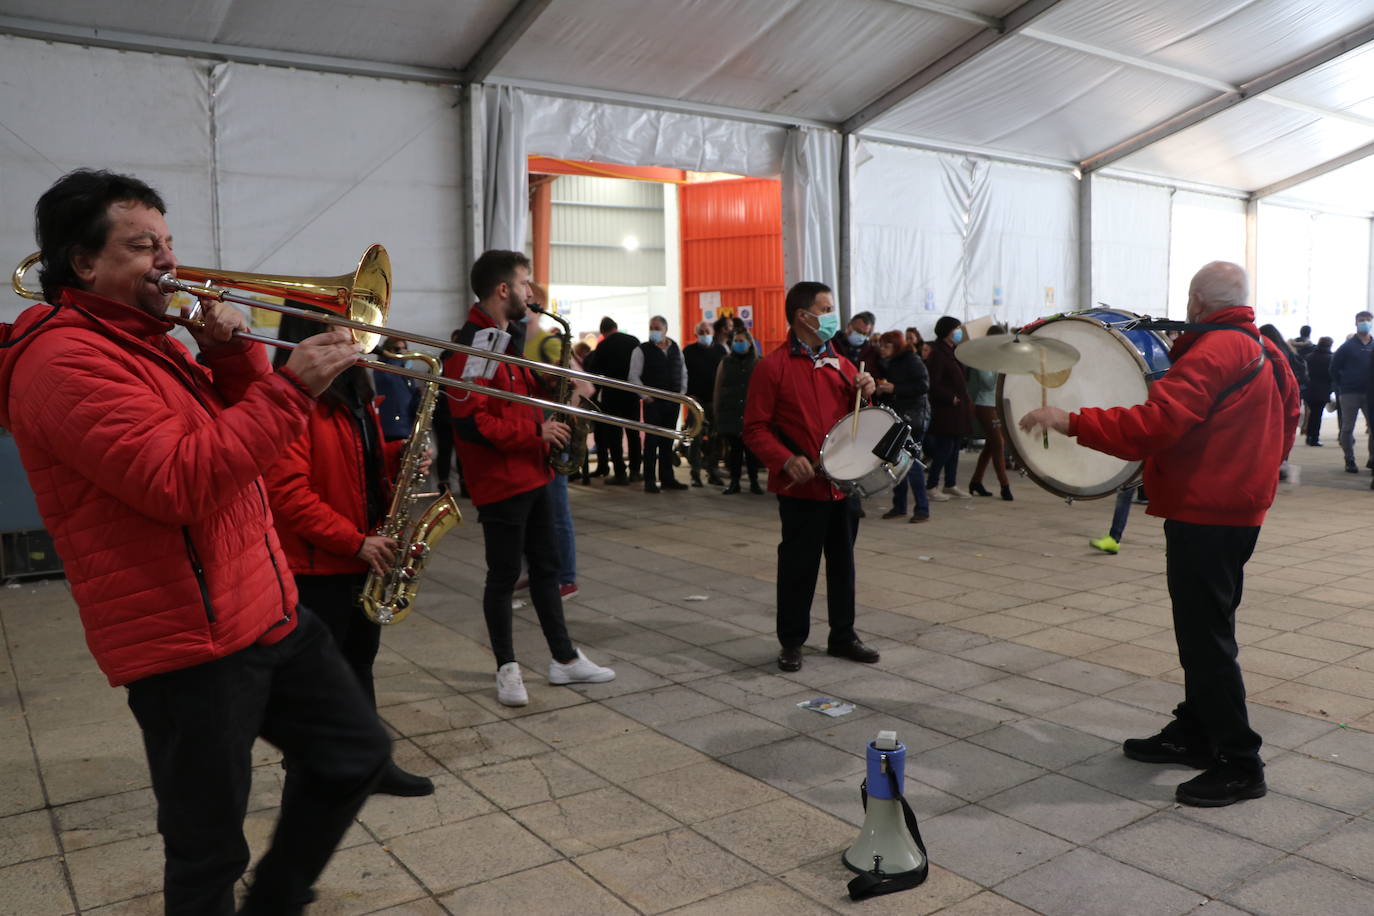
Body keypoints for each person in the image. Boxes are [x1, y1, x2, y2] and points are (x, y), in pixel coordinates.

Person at [0, 169, 390, 913]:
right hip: (188, 645)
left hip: (263, 607)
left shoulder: (151, 339)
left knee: (356, 753)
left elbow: (245, 445)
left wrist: (236, 355)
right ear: (83, 264)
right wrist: (291, 386)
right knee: (208, 851)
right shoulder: (62, 360)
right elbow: (178, 481)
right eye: (144, 246)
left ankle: (275, 899)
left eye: (169, 242)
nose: (169, 262)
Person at [1019, 261, 1299, 807]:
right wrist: (1253, 475)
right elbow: (1291, 418)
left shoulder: (1218, 348)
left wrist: (1070, 421)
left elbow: (1156, 423)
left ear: (1195, 301)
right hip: (1235, 512)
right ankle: (1196, 733)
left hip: (1208, 515)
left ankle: (1241, 763)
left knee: (1206, 640)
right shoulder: (1262, 346)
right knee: (1204, 631)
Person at [264, 314, 435, 798]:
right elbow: (288, 494)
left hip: (359, 555)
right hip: (319, 566)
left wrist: (400, 453)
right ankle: (307, 776)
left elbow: (357, 459)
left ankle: (370, 765)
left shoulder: (354, 390)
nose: (353, 340)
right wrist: (354, 541)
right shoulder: (295, 399)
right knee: (317, 678)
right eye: (339, 331)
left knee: (360, 659)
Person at [442, 250, 614, 707]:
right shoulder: (475, 343)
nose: (531, 292)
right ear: (503, 290)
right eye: (524, 283)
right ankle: (507, 668)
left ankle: (563, 658)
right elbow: (471, 423)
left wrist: (558, 385)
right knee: (502, 577)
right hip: (502, 481)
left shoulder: (505, 338)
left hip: (532, 473)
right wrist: (535, 430)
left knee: (547, 570)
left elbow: (514, 393)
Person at [743, 281, 880, 673]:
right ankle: (791, 641)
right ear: (803, 316)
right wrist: (785, 460)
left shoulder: (844, 364)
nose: (833, 315)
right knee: (797, 567)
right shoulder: (773, 367)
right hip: (802, 487)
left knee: (843, 565)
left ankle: (843, 635)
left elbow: (858, 418)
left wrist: (867, 393)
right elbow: (754, 428)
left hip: (843, 487)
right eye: (826, 308)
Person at [873, 329, 931, 523]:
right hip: (898, 417)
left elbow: (923, 386)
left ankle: (922, 509)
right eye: (881, 345)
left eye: (886, 345)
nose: (882, 349)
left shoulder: (911, 360)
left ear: (896, 346)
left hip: (913, 419)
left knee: (912, 464)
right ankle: (900, 506)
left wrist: (895, 388)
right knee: (895, 462)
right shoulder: (892, 362)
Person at [629, 315, 688, 493]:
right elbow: (633, 376)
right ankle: (649, 480)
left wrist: (681, 395)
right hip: (653, 403)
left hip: (672, 402)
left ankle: (667, 477)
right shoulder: (641, 350)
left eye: (657, 328)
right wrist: (645, 396)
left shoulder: (676, 349)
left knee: (667, 441)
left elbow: (683, 372)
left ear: (665, 330)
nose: (653, 331)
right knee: (651, 442)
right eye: (651, 327)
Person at [586, 316, 641, 484]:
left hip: (612, 395)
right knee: (634, 432)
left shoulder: (603, 345)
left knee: (614, 435)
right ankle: (635, 471)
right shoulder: (634, 341)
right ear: (616, 327)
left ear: (603, 331)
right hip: (632, 393)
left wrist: (595, 395)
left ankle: (620, 473)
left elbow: (594, 373)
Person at [924, 316, 973, 501]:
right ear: (947, 331)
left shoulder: (953, 351)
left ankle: (950, 483)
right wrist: (950, 397)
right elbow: (933, 383)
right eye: (957, 329)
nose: (959, 332)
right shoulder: (938, 353)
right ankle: (932, 485)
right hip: (946, 410)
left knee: (954, 449)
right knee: (945, 448)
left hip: (958, 410)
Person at [713, 324, 763, 494]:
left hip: (751, 413)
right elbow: (718, 388)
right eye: (736, 341)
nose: (738, 344)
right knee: (734, 451)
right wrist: (717, 411)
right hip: (731, 412)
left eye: (742, 341)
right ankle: (734, 482)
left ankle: (754, 481)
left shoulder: (758, 363)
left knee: (751, 451)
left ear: (750, 343)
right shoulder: (726, 362)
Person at [966, 325, 1013, 501]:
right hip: (984, 405)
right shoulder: (982, 358)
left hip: (997, 404)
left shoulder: (999, 357)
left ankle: (976, 481)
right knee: (998, 443)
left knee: (991, 445)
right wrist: (1000, 368)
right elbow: (987, 383)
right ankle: (1005, 485)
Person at [683, 318, 726, 487]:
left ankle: (713, 471)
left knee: (716, 437)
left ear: (713, 333)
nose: (704, 335)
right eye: (701, 332)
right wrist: (687, 395)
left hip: (715, 401)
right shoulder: (688, 351)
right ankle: (695, 473)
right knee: (696, 438)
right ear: (696, 334)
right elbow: (683, 375)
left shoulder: (721, 350)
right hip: (696, 402)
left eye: (707, 332)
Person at [1330, 310, 1374, 473]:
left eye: (1368, 320)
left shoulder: (1373, 345)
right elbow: (1334, 368)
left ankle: (1372, 459)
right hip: (1349, 392)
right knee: (1347, 427)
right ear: (1355, 323)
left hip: (1370, 393)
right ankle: (1349, 459)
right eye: (1361, 320)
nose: (1365, 322)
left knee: (1373, 428)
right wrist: (1342, 385)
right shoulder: (1346, 347)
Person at [373, 336, 422, 441]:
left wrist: (419, 394)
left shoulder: (405, 370)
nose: (401, 352)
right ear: (388, 350)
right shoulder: (381, 367)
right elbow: (388, 377)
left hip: (408, 424)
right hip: (393, 426)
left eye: (404, 348)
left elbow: (410, 393)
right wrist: (398, 358)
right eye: (396, 349)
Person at [1304, 336, 1334, 446]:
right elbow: (1332, 375)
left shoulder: (1309, 357)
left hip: (1309, 388)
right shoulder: (1331, 358)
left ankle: (1309, 436)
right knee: (1317, 415)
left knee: (1313, 414)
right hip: (1323, 389)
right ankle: (1315, 438)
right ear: (1330, 345)